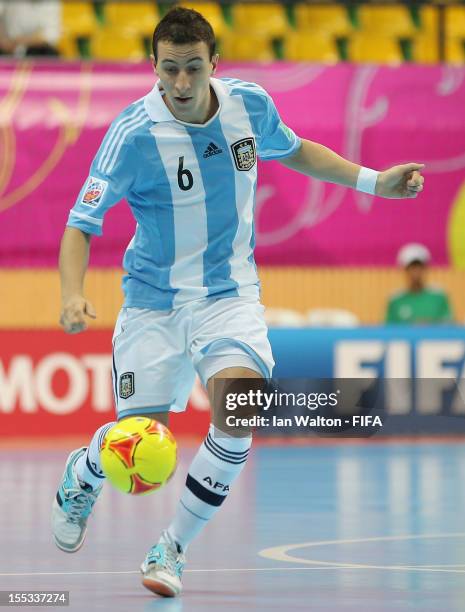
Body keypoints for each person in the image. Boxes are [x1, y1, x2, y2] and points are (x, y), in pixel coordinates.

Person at [51, 7, 425, 598]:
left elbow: (297, 150)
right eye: (168, 69)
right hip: (154, 305)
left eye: (192, 68)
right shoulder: (131, 133)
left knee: (240, 411)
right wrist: (72, 295)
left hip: (229, 296)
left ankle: (171, 550)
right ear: (153, 65)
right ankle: (84, 473)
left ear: (214, 64)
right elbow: (81, 224)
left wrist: (375, 181)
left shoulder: (250, 105)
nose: (179, 83)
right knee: (146, 454)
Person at [385, 243, 452, 324]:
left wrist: (427, 325)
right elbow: (389, 330)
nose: (416, 271)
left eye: (419, 266)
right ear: (405, 269)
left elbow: (449, 325)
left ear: (425, 268)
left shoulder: (439, 296)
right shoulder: (395, 299)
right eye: (412, 267)